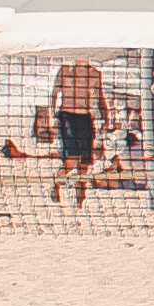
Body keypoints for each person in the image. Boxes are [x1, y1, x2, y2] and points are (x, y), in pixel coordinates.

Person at [47, 55, 107, 206]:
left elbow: (100, 98)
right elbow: (54, 94)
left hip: (86, 118)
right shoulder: (66, 70)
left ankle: (80, 198)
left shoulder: (94, 73)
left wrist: (106, 118)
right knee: (72, 158)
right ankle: (56, 185)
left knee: (85, 162)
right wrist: (52, 116)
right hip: (67, 116)